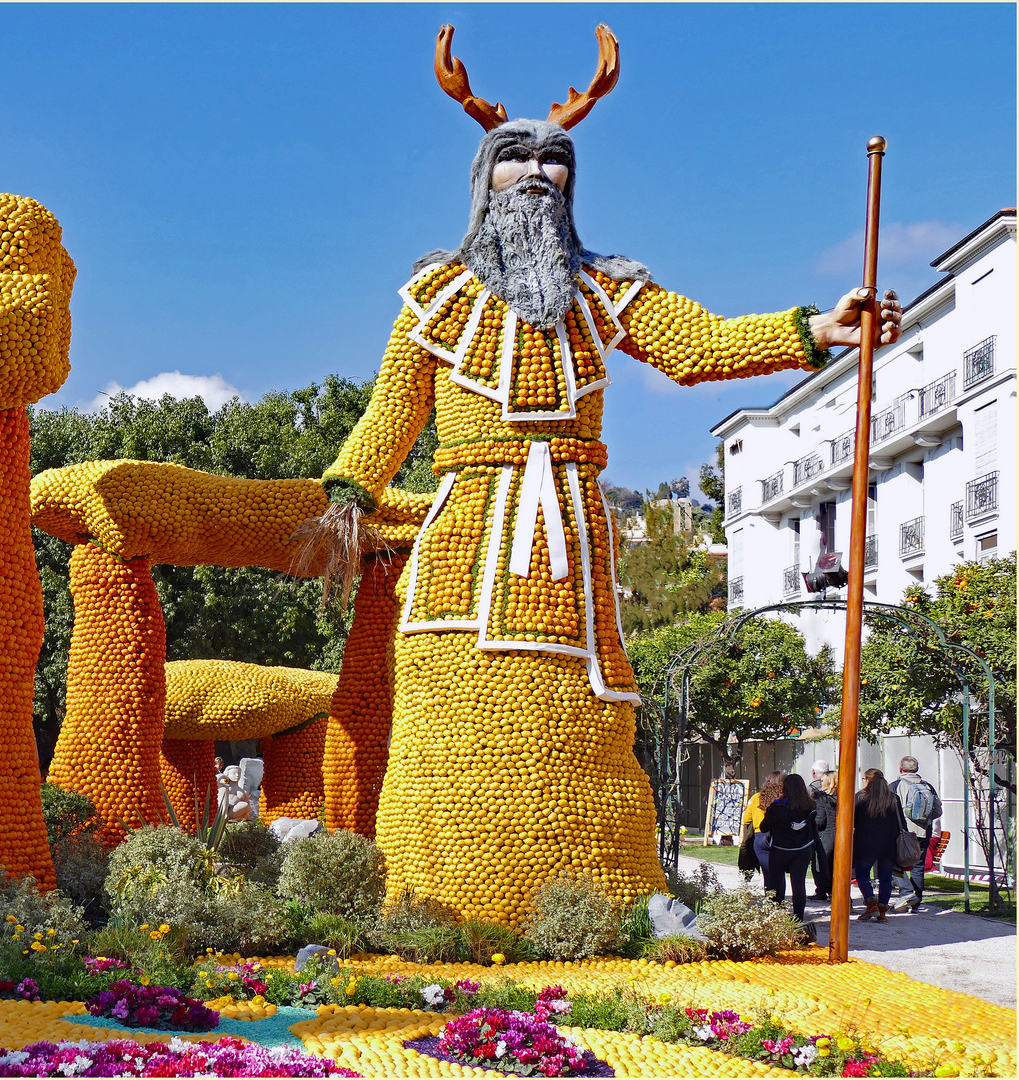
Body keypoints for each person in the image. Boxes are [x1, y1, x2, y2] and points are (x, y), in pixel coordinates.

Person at [288, 24, 903, 916]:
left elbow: (700, 343)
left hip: (572, 524)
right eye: (515, 160)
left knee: (585, 698)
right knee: (448, 692)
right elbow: (391, 412)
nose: (536, 174)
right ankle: (432, 890)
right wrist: (347, 490)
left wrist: (815, 331)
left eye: (555, 163)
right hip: (469, 516)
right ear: (483, 180)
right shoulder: (435, 293)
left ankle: (605, 886)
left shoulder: (606, 287)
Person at [760, 773, 818, 926]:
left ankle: (776, 916)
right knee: (798, 885)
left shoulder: (777, 807)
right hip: (802, 850)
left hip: (780, 849)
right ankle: (798, 919)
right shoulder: (811, 807)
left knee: (776, 883)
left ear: (785, 787)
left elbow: (764, 827)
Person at [889, 756, 942, 913]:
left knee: (895, 864)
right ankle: (916, 902)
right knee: (918, 868)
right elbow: (938, 810)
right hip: (923, 832)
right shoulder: (927, 786)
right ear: (917, 769)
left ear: (901, 768)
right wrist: (925, 820)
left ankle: (905, 895)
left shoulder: (895, 786)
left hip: (902, 833)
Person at [853, 770, 905, 922]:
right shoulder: (893, 798)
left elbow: (853, 820)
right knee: (885, 878)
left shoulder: (861, 797)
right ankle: (882, 911)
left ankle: (871, 903)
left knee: (862, 874)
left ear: (867, 780)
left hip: (865, 842)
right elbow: (900, 821)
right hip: (888, 843)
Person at [742, 772, 783, 889]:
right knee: (779, 872)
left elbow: (745, 819)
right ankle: (780, 899)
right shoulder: (784, 799)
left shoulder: (756, 798)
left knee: (767, 873)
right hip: (780, 836)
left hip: (760, 836)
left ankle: (770, 901)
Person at [811, 770, 840, 902]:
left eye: (822, 780)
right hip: (839, 834)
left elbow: (820, 820)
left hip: (825, 834)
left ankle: (821, 891)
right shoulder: (842, 796)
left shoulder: (820, 798)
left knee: (820, 864)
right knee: (835, 865)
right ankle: (834, 890)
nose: (820, 783)